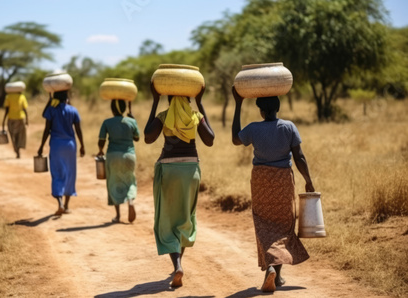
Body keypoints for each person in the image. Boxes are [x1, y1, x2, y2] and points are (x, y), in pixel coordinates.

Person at [231, 86, 315, 292]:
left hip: (261, 181)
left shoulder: (253, 128)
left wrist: (238, 104)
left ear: (261, 111)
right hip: (283, 181)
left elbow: (235, 139)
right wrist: (308, 180)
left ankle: (271, 270)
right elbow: (299, 156)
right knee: (283, 224)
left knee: (263, 223)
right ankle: (276, 274)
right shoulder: (289, 127)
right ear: (277, 108)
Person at [144, 82, 215, 288]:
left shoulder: (164, 117)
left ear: (168, 100)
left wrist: (155, 102)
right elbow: (210, 140)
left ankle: (177, 265)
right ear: (189, 99)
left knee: (166, 218)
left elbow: (148, 138)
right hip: (190, 171)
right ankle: (179, 263)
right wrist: (200, 106)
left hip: (169, 170)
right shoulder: (195, 117)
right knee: (185, 216)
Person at [38, 89, 85, 216]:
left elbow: (47, 129)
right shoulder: (73, 110)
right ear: (67, 98)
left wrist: (41, 146)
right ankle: (67, 205)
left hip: (56, 145)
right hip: (70, 145)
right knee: (70, 173)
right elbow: (78, 130)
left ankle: (60, 204)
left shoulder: (52, 110)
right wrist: (82, 146)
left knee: (57, 173)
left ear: (55, 99)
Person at [97, 100, 140, 223]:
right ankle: (130, 201)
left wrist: (100, 150)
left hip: (113, 155)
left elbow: (102, 140)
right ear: (124, 108)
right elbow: (137, 138)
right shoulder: (131, 121)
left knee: (113, 181)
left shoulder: (107, 122)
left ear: (112, 109)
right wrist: (133, 118)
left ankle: (118, 215)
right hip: (129, 155)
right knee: (130, 179)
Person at [2, 90, 28, 158]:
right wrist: (27, 119)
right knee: (20, 135)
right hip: (20, 119)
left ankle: (16, 150)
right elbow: (24, 109)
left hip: (11, 119)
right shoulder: (22, 96)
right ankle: (18, 149)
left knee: (13, 136)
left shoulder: (8, 97)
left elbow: (7, 110)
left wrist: (3, 120)